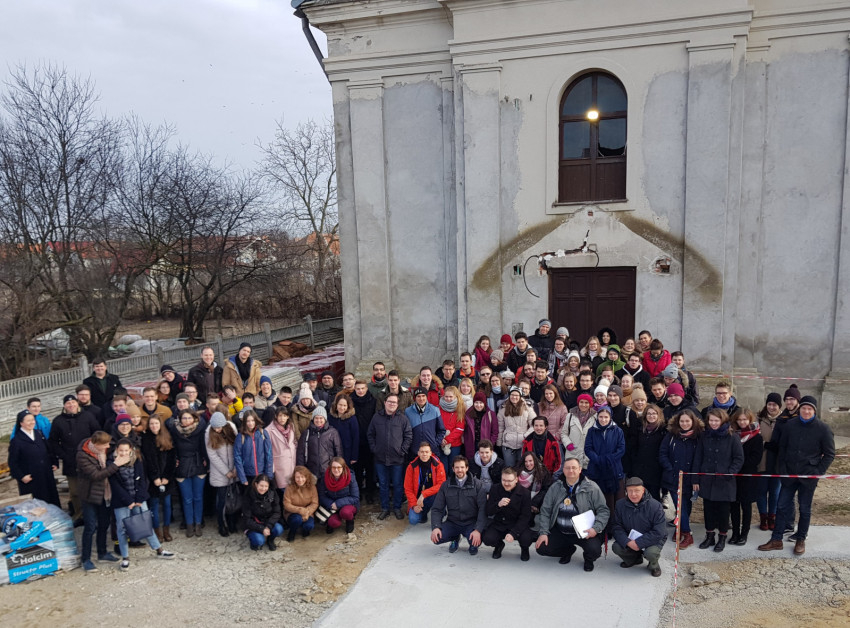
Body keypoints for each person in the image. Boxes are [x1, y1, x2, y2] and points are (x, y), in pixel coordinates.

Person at [758, 396, 835, 556]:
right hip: (789, 474)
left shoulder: (823, 429)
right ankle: (776, 539)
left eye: (809, 409)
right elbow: (782, 448)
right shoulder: (790, 425)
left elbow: (829, 454)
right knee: (781, 506)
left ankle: (800, 539)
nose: (806, 411)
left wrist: (818, 472)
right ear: (800, 409)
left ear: (814, 411)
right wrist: (783, 469)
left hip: (809, 475)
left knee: (805, 509)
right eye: (804, 408)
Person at [109, 439, 176, 569]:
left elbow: (142, 480)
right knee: (121, 529)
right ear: (117, 450)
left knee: (145, 524)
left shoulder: (136, 460)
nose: (123, 453)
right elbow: (115, 485)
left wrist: (139, 499)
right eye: (121, 450)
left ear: (131, 450)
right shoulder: (112, 463)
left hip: (138, 499)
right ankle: (125, 557)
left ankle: (159, 550)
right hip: (121, 501)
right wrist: (128, 501)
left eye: (126, 450)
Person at [535, 457, 609, 571]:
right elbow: (545, 510)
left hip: (584, 532)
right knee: (541, 548)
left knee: (594, 550)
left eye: (574, 468)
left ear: (580, 469)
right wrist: (543, 532)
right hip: (561, 531)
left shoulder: (591, 487)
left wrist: (595, 528)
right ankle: (567, 551)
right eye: (568, 468)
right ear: (563, 470)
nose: (571, 470)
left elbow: (603, 510)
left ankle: (588, 559)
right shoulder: (556, 487)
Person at [76, 431, 129, 571]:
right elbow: (96, 475)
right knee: (90, 527)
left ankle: (102, 552)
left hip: (105, 493)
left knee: (104, 524)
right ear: (96, 444)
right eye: (105, 444)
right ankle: (86, 559)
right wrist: (116, 465)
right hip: (90, 495)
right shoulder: (82, 455)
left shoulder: (105, 450)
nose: (108, 446)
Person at [693, 408, 744, 552]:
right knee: (708, 510)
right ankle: (709, 536)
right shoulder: (704, 436)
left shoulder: (732, 436)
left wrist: (730, 473)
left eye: (716, 420)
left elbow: (738, 458)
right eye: (711, 420)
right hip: (707, 479)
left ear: (723, 420)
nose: (713, 423)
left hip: (724, 481)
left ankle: (722, 537)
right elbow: (698, 457)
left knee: (723, 511)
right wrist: (695, 478)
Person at [49, 394, 101, 525]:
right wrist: (63, 455)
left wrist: (94, 452)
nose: (71, 405)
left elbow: (97, 434)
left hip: (90, 460)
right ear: (64, 406)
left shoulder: (88, 416)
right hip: (70, 462)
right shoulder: (58, 421)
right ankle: (79, 515)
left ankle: (95, 515)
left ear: (77, 403)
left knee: (92, 489)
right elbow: (53, 442)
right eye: (68, 403)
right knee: (75, 492)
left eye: (73, 402)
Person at [658, 409, 703, 549]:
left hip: (690, 478)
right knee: (680, 505)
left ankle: (681, 528)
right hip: (673, 477)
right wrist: (670, 468)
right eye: (682, 421)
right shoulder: (671, 435)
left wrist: (695, 478)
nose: (684, 424)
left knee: (686, 505)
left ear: (693, 421)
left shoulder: (698, 437)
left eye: (687, 421)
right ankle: (687, 534)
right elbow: (663, 453)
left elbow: (699, 458)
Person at [368, 393, 413, 520]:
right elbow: (370, 434)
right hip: (380, 459)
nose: (392, 404)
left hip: (397, 459)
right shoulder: (377, 417)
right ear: (385, 403)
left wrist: (402, 450)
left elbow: (408, 435)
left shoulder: (402, 419)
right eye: (389, 401)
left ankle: (397, 508)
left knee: (398, 484)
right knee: (383, 484)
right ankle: (385, 508)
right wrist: (374, 449)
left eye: (394, 402)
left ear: (397, 405)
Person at [430, 456, 487, 555]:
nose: (459, 470)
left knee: (476, 540)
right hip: (453, 522)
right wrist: (436, 527)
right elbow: (437, 509)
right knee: (437, 538)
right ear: (453, 469)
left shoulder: (478, 485)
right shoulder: (446, 485)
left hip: (471, 523)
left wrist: (478, 529)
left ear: (467, 468)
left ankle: (472, 542)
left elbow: (483, 509)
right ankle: (455, 538)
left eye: (462, 467)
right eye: (457, 467)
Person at [611, 477, 667, 577]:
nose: (633, 494)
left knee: (651, 553)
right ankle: (634, 559)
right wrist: (627, 542)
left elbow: (659, 531)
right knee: (617, 547)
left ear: (643, 490)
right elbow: (616, 526)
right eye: (630, 491)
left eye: (637, 490)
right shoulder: (620, 504)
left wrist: (639, 543)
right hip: (631, 538)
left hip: (652, 539)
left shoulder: (655, 506)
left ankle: (654, 565)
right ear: (626, 491)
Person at [584, 406, 626, 531]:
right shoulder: (592, 431)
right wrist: (598, 460)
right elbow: (588, 448)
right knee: (601, 500)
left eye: (606, 417)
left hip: (614, 469)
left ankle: (616, 526)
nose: (603, 419)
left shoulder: (617, 430)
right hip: (597, 469)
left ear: (610, 417)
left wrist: (608, 459)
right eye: (601, 417)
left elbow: (621, 449)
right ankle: (602, 526)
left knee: (617, 500)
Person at [167, 410, 208, 538]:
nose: (186, 421)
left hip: (198, 464)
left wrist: (206, 462)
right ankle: (189, 524)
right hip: (182, 466)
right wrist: (174, 461)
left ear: (194, 418)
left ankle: (198, 523)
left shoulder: (200, 429)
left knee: (198, 497)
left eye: (189, 418)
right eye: (184, 418)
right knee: (187, 499)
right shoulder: (174, 431)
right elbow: (172, 449)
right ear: (179, 420)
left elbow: (204, 447)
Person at [8, 411, 60, 506]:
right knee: (37, 505)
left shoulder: (38, 433)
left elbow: (48, 450)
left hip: (46, 473)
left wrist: (54, 462)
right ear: (21, 423)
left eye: (32, 420)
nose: (32, 422)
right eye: (28, 421)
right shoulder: (16, 441)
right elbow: (12, 462)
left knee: (51, 500)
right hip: (31, 478)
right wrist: (21, 476)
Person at [483, 466, 534, 560]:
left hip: (517, 523)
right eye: (504, 480)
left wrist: (513, 533)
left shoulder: (525, 493)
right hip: (500, 523)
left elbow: (525, 516)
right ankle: (499, 545)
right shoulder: (495, 488)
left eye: (509, 481)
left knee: (527, 539)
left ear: (516, 480)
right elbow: (488, 511)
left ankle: (524, 549)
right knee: (488, 539)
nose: (506, 483)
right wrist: (498, 505)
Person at [730, 409, 764, 546]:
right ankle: (735, 533)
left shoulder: (757, 437)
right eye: (739, 420)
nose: (742, 422)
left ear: (750, 420)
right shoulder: (732, 435)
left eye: (744, 419)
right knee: (734, 505)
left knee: (746, 505)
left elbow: (756, 458)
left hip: (748, 475)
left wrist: (738, 463)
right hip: (734, 475)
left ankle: (744, 533)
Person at [141, 416, 176, 542]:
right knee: (154, 505)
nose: (154, 426)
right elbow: (148, 461)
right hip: (153, 479)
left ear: (160, 424)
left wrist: (167, 477)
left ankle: (166, 530)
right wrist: (155, 477)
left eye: (156, 423)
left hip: (166, 477)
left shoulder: (167, 437)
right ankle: (157, 531)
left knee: (167, 504)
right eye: (151, 424)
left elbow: (172, 459)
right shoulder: (146, 439)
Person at [205, 411, 239, 537]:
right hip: (220, 472)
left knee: (233, 499)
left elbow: (237, 449)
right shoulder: (209, 433)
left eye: (219, 427)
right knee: (222, 501)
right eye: (215, 428)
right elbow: (212, 456)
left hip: (234, 470)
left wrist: (235, 468)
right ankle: (221, 524)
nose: (217, 430)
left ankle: (232, 522)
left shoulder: (231, 428)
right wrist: (226, 471)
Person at [756, 392, 783, 531]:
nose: (771, 407)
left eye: (774, 405)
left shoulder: (784, 420)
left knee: (775, 492)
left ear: (779, 406)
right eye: (769, 404)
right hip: (762, 460)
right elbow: (754, 438)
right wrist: (764, 444)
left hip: (777, 462)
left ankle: (772, 516)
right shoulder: (759, 419)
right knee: (761, 491)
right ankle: (763, 517)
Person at [296, 402, 343, 479]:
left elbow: (338, 451)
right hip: (311, 471)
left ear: (325, 419)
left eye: (321, 418)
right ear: (313, 419)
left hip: (328, 470)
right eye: (316, 418)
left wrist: (337, 467)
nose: (318, 420)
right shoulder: (307, 433)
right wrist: (301, 470)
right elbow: (300, 453)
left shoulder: (332, 432)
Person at [631, 404, 667, 501]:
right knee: (640, 496)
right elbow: (635, 446)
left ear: (658, 415)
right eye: (649, 414)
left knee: (654, 496)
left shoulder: (663, 430)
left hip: (655, 469)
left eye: (654, 413)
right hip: (640, 468)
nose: (651, 416)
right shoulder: (640, 429)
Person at [404, 442, 446, 525]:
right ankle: (423, 514)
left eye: (427, 452)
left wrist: (424, 494)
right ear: (418, 453)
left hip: (432, 495)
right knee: (413, 520)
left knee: (440, 497)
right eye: (422, 452)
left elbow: (441, 484)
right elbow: (408, 488)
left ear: (430, 453)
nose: (424, 454)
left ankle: (439, 514)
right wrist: (414, 505)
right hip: (417, 498)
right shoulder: (411, 467)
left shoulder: (438, 465)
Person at [351, 380, 377, 503]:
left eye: (362, 388)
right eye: (358, 389)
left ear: (366, 389)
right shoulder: (350, 401)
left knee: (370, 468)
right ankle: (358, 492)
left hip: (370, 439)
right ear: (355, 389)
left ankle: (370, 493)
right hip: (356, 440)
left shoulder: (373, 401)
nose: (360, 391)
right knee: (357, 469)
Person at [319, 457, 360, 534]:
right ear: (330, 468)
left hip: (348, 504)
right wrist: (330, 504)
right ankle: (332, 520)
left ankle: (350, 521)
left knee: (345, 512)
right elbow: (321, 495)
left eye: (339, 467)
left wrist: (338, 503)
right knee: (333, 523)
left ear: (343, 467)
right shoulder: (325, 477)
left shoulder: (350, 477)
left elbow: (355, 497)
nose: (336, 470)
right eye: (333, 467)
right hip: (332, 505)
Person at [497, 386, 535, 468]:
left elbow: (534, 424)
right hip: (508, 444)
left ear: (520, 396)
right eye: (512, 395)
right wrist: (499, 442)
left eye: (517, 395)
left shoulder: (527, 408)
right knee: (509, 467)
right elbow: (500, 427)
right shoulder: (503, 409)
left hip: (523, 443)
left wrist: (525, 435)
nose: (514, 397)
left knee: (522, 467)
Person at [242, 474, 283, 551]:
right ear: (256, 484)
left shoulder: (273, 493)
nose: (263, 489)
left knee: (279, 529)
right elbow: (247, 519)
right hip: (254, 523)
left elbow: (277, 512)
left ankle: (270, 540)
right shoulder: (248, 494)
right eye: (261, 486)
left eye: (266, 486)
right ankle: (254, 542)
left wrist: (268, 526)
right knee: (259, 541)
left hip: (267, 520)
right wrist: (261, 529)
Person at [234, 410, 274, 486]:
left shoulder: (263, 433)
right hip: (248, 475)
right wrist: (242, 478)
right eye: (248, 421)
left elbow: (269, 455)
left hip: (262, 473)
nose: (251, 423)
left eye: (252, 420)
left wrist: (268, 475)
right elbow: (237, 457)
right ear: (244, 422)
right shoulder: (241, 436)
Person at [268, 407, 297, 509]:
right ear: (276, 416)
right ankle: (286, 514)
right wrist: (272, 468)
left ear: (288, 416)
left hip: (292, 463)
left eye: (284, 415)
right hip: (280, 465)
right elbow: (268, 451)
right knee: (284, 492)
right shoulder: (269, 430)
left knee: (292, 491)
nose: (282, 418)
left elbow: (294, 442)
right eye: (280, 416)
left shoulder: (291, 426)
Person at [405, 387, 447, 460]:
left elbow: (441, 430)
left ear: (426, 397)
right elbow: (405, 431)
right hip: (414, 451)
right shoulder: (408, 411)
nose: (421, 399)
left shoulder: (435, 410)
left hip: (432, 451)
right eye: (418, 396)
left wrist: (435, 443)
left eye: (423, 396)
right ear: (415, 398)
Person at [283, 466, 319, 541]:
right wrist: (300, 510)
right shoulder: (289, 488)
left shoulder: (312, 487)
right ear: (294, 477)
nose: (300, 480)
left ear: (306, 477)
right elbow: (286, 504)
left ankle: (304, 531)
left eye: (302, 477)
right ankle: (292, 532)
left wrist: (307, 512)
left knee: (309, 526)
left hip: (308, 512)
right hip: (292, 513)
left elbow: (315, 503)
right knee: (297, 519)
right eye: (297, 477)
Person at [561, 393, 596, 469]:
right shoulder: (570, 416)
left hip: (588, 455)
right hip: (573, 453)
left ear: (590, 404)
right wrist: (568, 444)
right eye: (581, 402)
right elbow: (564, 433)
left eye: (586, 402)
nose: (583, 405)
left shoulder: (595, 417)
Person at [437, 386, 466, 474]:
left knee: (453, 467)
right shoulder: (438, 408)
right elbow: (435, 425)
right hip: (441, 443)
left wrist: (447, 439)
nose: (448, 399)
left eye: (451, 397)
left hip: (454, 444)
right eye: (446, 396)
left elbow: (459, 429)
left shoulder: (460, 409)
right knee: (443, 468)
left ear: (455, 397)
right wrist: (441, 439)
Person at [518, 451, 553, 519]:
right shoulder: (518, 471)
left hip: (537, 503)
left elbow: (546, 489)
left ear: (535, 460)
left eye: (530, 461)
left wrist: (535, 502)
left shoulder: (543, 471)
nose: (528, 464)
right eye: (525, 461)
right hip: (521, 501)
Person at [328, 393, 359, 469]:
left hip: (347, 452)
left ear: (348, 406)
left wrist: (354, 456)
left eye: (344, 405)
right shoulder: (330, 418)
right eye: (340, 405)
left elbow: (356, 438)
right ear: (336, 405)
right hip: (333, 451)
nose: (342, 407)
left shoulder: (352, 419)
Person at [463, 391, 498, 460]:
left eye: (481, 403)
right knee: (472, 462)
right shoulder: (468, 414)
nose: (478, 405)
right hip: (471, 444)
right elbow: (465, 430)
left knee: (484, 462)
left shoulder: (491, 414)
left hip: (485, 445)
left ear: (484, 403)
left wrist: (490, 444)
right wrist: (466, 442)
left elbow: (495, 432)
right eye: (476, 402)